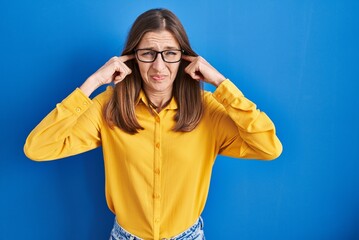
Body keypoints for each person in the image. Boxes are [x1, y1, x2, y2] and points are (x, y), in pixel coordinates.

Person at [24, 8, 282, 240]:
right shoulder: (110, 106)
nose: (159, 66)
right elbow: (38, 148)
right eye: (148, 53)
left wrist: (222, 85)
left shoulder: (208, 110)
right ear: (133, 57)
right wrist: (91, 84)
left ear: (184, 58)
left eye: (170, 53)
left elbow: (269, 147)